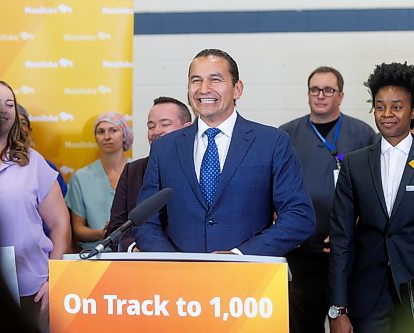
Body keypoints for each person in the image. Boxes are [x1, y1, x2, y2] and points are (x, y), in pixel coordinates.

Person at [132, 48, 316, 255]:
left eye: (215, 80)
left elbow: (299, 216)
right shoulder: (164, 148)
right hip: (178, 281)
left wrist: (240, 255)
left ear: (237, 89)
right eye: (196, 80)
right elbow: (145, 221)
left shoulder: (272, 142)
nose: (204, 89)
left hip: (249, 278)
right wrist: (172, 261)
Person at [328, 62, 414, 333]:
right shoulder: (354, 164)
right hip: (367, 299)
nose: (387, 114)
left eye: (396, 106)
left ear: (413, 110)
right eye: (380, 107)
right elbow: (341, 240)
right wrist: (337, 308)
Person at [279, 66, 376, 333]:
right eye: (314, 90)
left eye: (328, 90)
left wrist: (350, 232)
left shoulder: (363, 134)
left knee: (348, 324)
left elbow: (374, 194)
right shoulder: (286, 135)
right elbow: (273, 190)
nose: (320, 96)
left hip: (349, 254)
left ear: (341, 95)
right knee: (302, 324)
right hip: (301, 254)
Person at [0, 80, 71, 332]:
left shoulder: (33, 162)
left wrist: (55, 279)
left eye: (10, 104)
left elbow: (60, 223)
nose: (4, 110)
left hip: (32, 287)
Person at [106, 96, 192, 251]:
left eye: (165, 124)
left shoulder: (202, 169)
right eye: (151, 126)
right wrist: (133, 248)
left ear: (188, 128)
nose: (156, 132)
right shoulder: (133, 171)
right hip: (145, 265)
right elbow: (115, 229)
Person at [65, 112, 133, 252]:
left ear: (124, 134)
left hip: (133, 253)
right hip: (95, 256)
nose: (107, 137)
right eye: (101, 132)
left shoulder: (139, 172)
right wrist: (101, 234)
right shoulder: (81, 177)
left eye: (113, 130)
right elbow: (77, 229)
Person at [17, 104, 67, 197]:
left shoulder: (46, 167)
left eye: (23, 123)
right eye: (14, 123)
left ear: (29, 131)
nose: (19, 128)